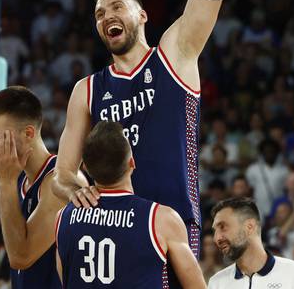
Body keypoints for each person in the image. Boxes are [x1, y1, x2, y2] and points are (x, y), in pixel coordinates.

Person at [53, 0, 233, 281]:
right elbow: (62, 174)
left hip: (172, 227)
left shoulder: (175, 51)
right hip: (115, 233)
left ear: (142, 15)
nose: (106, 16)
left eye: (116, 6)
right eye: (99, 14)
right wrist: (74, 190)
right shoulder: (87, 89)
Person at [56, 121, 206, 288]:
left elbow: (64, 277)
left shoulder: (63, 217)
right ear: (132, 163)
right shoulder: (160, 219)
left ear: (86, 167)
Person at [0, 87, 82, 288]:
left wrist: (5, 183)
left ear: (28, 133)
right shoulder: (19, 179)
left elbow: (21, 257)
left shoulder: (60, 182)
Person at [208, 197, 294, 288]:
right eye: (215, 231)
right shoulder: (217, 283)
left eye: (223, 227)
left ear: (249, 227)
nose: (216, 238)